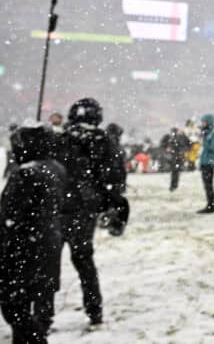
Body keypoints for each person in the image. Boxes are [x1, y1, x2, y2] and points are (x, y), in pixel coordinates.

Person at [54, 98, 126, 329]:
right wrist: (111, 204)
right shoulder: (103, 141)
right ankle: (94, 311)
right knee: (84, 260)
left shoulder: (60, 139)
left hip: (57, 207)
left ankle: (42, 314)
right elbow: (114, 178)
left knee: (48, 263)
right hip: (84, 209)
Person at [0, 123, 66, 342]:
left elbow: (9, 214)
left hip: (21, 248)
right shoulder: (55, 168)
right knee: (35, 301)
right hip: (48, 242)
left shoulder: (26, 173)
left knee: (15, 309)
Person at [195, 114, 214, 214]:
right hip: (204, 162)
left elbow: (213, 148)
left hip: (209, 163)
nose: (202, 124)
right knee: (206, 185)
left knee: (209, 185)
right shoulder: (206, 133)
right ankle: (210, 204)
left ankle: (212, 205)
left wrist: (204, 140)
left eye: (204, 122)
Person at [165, 127, 191, 192]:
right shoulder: (177, 137)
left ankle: (173, 186)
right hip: (177, 157)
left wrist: (181, 151)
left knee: (175, 172)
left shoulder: (176, 138)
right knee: (176, 172)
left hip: (176, 157)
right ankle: (174, 186)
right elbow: (188, 144)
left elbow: (186, 145)